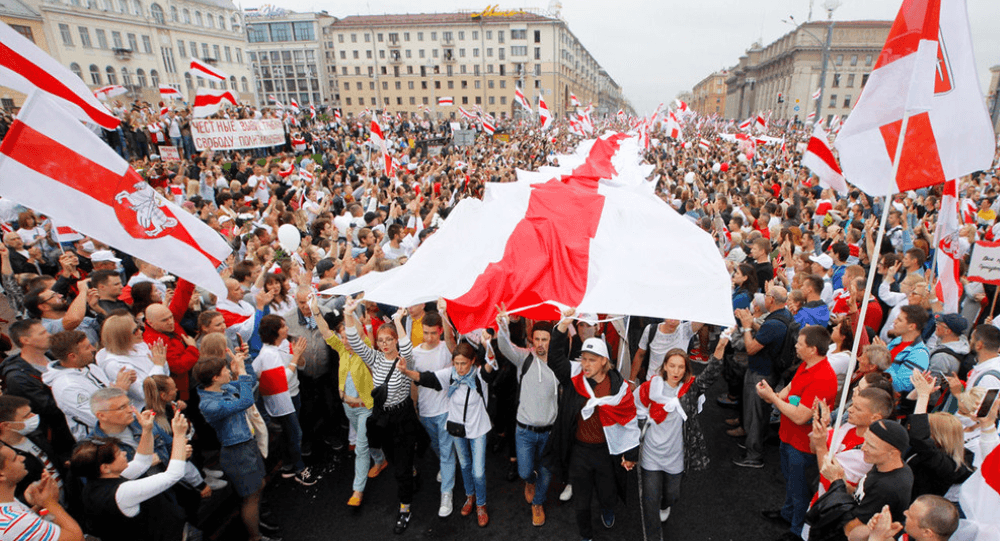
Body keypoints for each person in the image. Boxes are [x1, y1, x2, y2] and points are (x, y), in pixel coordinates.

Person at [544, 308, 639, 541]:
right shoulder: (574, 376)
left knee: (607, 492)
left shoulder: (619, 388)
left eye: (592, 360)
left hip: (606, 452)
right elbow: (554, 358)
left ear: (604, 361)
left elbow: (629, 420)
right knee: (582, 500)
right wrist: (563, 326)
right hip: (579, 451)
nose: (585, 364)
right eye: (584, 358)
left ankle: (607, 508)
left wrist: (631, 454)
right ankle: (585, 534)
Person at [634, 334, 727, 541]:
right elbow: (636, 406)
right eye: (672, 366)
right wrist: (640, 425)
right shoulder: (650, 387)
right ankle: (653, 536)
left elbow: (711, 374)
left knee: (672, 494)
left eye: (680, 367)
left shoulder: (690, 389)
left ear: (686, 369)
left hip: (676, 455)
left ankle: (665, 504)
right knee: (649, 500)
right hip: (650, 454)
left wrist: (720, 346)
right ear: (664, 367)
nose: (676, 371)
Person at [397, 339, 497, 527]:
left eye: (464, 363)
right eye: (456, 363)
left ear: (472, 361)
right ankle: (470, 497)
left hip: (478, 428)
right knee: (465, 465)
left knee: (478, 472)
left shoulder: (480, 375)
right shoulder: (450, 374)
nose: (459, 368)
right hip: (457, 428)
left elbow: (491, 361)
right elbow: (426, 378)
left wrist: (487, 342)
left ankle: (481, 505)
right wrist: (405, 371)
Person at [342, 297, 420, 534]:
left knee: (401, 470)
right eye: (381, 340)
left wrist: (398, 321)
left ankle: (405, 508)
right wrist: (348, 314)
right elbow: (355, 341)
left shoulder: (404, 359)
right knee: (396, 461)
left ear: (395, 340)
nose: (385, 344)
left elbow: (406, 346)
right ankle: (409, 470)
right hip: (385, 420)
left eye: (389, 340)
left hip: (403, 416)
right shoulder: (375, 359)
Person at [756, 325, 838, 539]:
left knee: (800, 489)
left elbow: (801, 416)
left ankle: (797, 530)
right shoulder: (807, 365)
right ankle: (788, 514)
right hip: (789, 436)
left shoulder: (823, 377)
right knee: (792, 483)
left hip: (802, 445)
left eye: (799, 344)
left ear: (812, 349)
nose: (795, 346)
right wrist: (774, 395)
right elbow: (790, 388)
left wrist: (773, 399)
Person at [71, 409, 190, 541]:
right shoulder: (121, 493)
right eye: (118, 453)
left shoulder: (97, 481)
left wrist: (147, 430)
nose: (124, 453)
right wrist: (179, 435)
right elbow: (173, 475)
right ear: (105, 467)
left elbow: (141, 462)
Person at [312, 298, 386, 507]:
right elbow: (326, 332)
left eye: (348, 337)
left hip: (365, 409)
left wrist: (350, 312)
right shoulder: (342, 351)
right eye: (342, 338)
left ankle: (357, 491)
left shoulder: (365, 350)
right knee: (366, 440)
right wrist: (315, 310)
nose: (344, 341)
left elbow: (359, 332)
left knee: (360, 448)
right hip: (348, 409)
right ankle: (381, 460)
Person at [195, 353, 277, 541]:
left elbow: (250, 384)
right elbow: (246, 400)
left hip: (247, 445)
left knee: (258, 486)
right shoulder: (209, 404)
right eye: (224, 370)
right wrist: (240, 371)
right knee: (250, 497)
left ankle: (256, 521)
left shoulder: (223, 388)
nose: (227, 372)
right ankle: (255, 536)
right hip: (238, 452)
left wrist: (241, 366)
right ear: (215, 377)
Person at [496, 306, 559, 527]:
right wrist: (503, 325)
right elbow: (504, 346)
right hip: (524, 431)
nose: (541, 344)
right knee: (524, 471)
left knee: (546, 471)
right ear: (532, 340)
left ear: (551, 341)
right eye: (537, 339)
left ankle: (538, 504)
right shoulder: (524, 358)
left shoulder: (559, 364)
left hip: (549, 432)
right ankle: (530, 482)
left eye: (545, 339)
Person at [821, 419, 914, 540]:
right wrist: (840, 478)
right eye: (865, 441)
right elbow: (860, 495)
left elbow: (850, 530)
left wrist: (836, 481)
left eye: (871, 446)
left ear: (893, 453)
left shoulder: (888, 487)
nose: (863, 448)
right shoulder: (883, 464)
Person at [251, 314, 315, 486]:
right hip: (282, 401)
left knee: (289, 433)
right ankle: (300, 470)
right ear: (275, 331)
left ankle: (288, 466)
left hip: (294, 393)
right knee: (295, 434)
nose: (287, 328)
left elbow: (299, 365)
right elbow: (282, 380)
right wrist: (296, 357)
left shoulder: (285, 343)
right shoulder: (268, 354)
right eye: (283, 326)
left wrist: (299, 356)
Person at [407, 306, 459, 518]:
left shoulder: (446, 348)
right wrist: (414, 406)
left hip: (445, 409)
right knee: (436, 446)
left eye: (433, 333)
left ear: (440, 331)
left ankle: (446, 493)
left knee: (445, 452)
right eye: (426, 332)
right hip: (426, 411)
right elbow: (413, 382)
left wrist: (444, 314)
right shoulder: (415, 353)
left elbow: (452, 341)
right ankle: (448, 466)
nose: (429, 337)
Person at [732, 286, 791, 468]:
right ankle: (755, 441)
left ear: (771, 299)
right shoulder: (783, 316)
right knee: (760, 413)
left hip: (761, 373)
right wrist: (753, 323)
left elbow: (751, 348)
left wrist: (746, 327)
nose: (764, 298)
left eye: (766, 295)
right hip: (770, 372)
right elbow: (766, 333)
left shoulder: (773, 324)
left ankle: (753, 454)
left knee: (755, 415)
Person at [44, 329, 135, 441]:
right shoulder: (67, 387)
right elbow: (97, 418)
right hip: (106, 441)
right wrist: (120, 391)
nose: (93, 349)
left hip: (126, 429)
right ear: (73, 356)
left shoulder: (92, 368)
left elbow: (107, 393)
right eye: (87, 347)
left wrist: (123, 381)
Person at [0, 444, 83, 541]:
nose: (22, 458)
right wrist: (50, 503)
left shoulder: (7, 505)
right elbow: (77, 538)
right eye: (14, 459)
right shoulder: (13, 523)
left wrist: (38, 504)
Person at [97, 315, 170, 409]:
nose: (141, 331)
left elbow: (165, 375)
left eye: (139, 327)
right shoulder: (115, 364)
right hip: (146, 410)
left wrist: (161, 363)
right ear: (123, 337)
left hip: (162, 400)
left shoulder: (139, 346)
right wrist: (158, 366)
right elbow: (143, 394)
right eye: (135, 331)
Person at [863, 495, 959, 541]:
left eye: (911, 516)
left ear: (927, 532)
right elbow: (855, 535)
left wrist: (876, 538)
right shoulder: (913, 534)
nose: (905, 513)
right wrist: (878, 531)